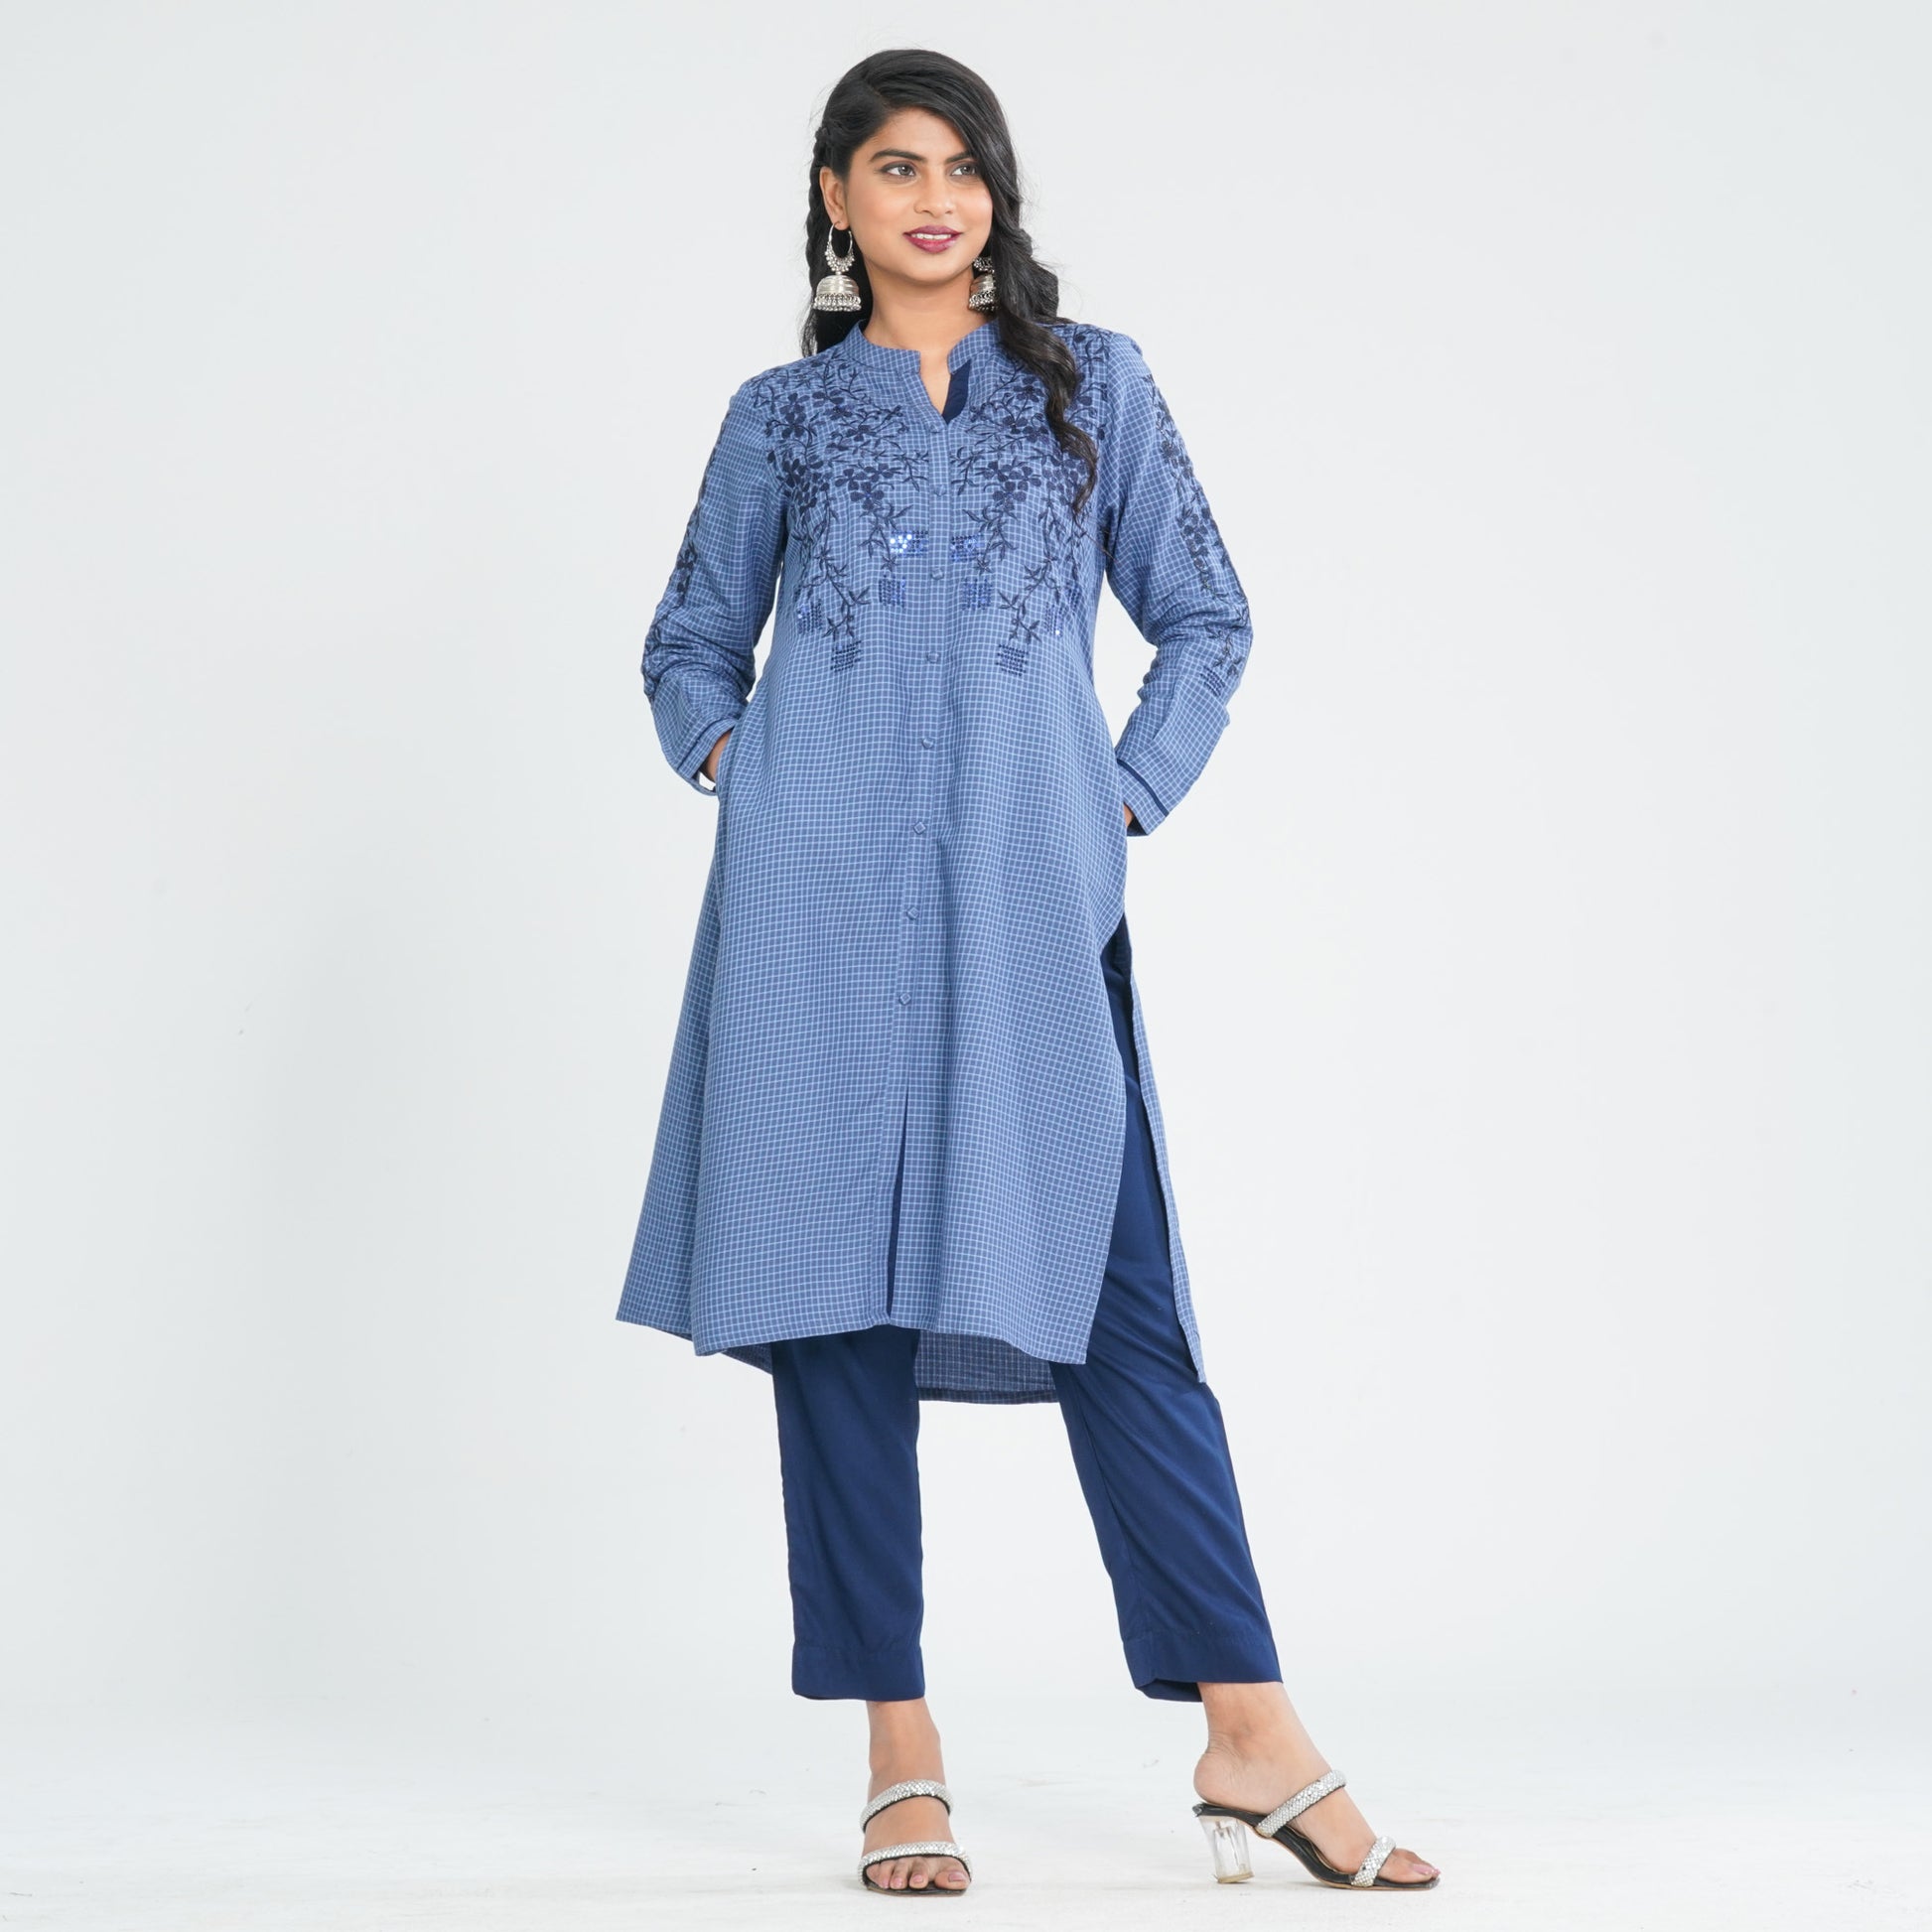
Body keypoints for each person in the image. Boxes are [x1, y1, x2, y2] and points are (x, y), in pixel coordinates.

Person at [616, 47, 1442, 1899]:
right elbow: (686, 639)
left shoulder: (1093, 387)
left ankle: (1249, 1725)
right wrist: (745, 769)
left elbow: (1206, 615)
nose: (936, 199)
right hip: (813, 919)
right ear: (833, 196)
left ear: (995, 192)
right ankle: (898, 1751)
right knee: (830, 1317)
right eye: (895, 167)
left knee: (1120, 1304)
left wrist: (1117, 793)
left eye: (963, 166)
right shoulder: (782, 415)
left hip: (1026, 906)